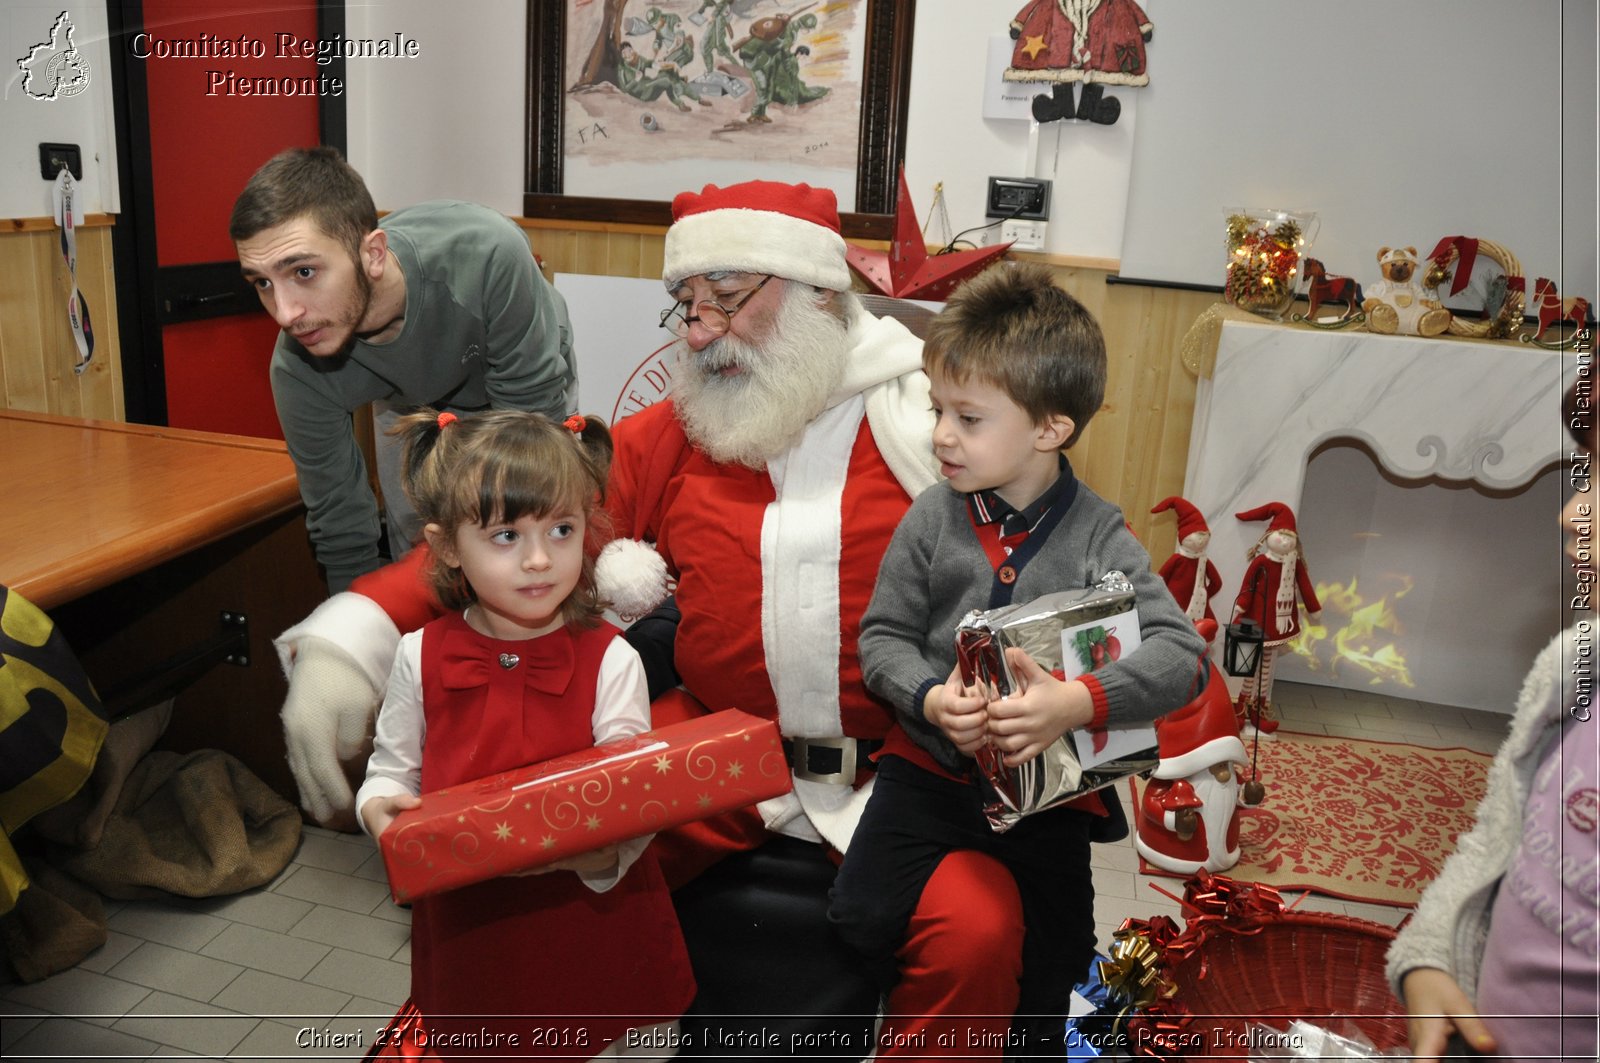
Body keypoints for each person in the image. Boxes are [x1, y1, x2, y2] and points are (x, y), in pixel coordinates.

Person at [274, 178, 1040, 1057]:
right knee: (500, 865)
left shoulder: (936, 430)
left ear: (819, 294)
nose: (701, 327)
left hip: (895, 774)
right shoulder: (682, 431)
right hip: (715, 756)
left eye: (728, 298)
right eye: (686, 302)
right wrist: (356, 634)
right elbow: (512, 523)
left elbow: (1074, 566)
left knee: (976, 932)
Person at [826, 263, 1207, 1053]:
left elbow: (1184, 658)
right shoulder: (931, 517)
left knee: (1058, 972)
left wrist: (1077, 701)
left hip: (1047, 805)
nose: (940, 436)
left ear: (1050, 429)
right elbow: (881, 641)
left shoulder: (1100, 534)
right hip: (927, 773)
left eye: (968, 417)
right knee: (855, 919)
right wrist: (932, 699)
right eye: (939, 411)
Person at [355, 408, 694, 1059]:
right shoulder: (418, 655)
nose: (540, 559)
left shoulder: (612, 660)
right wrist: (381, 815)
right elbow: (389, 773)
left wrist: (603, 850)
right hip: (472, 937)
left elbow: (631, 797)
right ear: (449, 545)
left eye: (561, 529)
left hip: (593, 931)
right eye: (506, 535)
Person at [229, 146, 576, 594]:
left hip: (517, 383)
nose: (285, 313)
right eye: (262, 283)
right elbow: (340, 521)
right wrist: (353, 634)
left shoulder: (488, 255)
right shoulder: (298, 365)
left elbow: (529, 453)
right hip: (404, 393)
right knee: (418, 545)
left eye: (304, 271)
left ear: (373, 254)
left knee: (517, 526)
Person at [1385, 378, 1599, 1062]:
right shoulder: (1572, 671)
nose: (1571, 512)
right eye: (1585, 472)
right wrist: (1431, 953)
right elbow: (1496, 842)